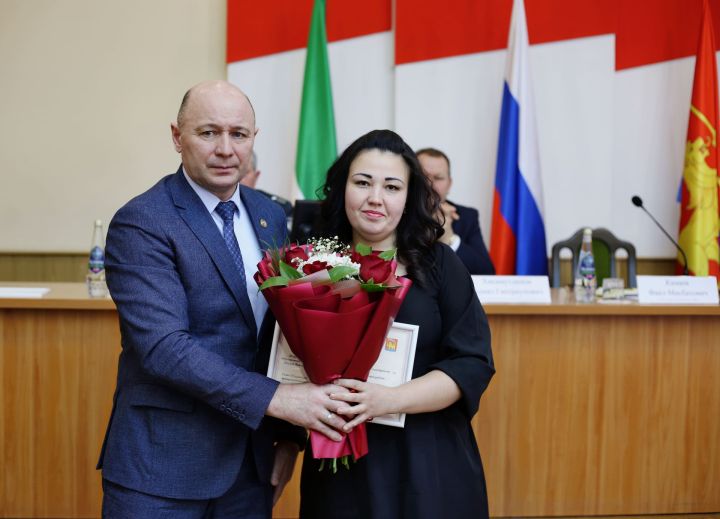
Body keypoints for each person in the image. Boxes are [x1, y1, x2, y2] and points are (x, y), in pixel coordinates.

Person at [97, 80, 349, 518]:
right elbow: (164, 349)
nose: (226, 149)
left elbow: (283, 334)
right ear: (177, 137)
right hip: (163, 469)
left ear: (254, 138)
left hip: (250, 467)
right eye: (208, 132)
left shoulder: (270, 215)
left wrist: (289, 436)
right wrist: (278, 400)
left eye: (239, 134)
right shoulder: (143, 221)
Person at [300, 130, 495, 519]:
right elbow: (282, 364)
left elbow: (472, 363)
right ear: (342, 189)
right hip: (340, 463)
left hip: (428, 462)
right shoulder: (310, 266)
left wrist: (388, 400)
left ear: (408, 198)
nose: (376, 198)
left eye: (391, 187)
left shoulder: (441, 264)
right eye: (362, 182)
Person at [416, 147, 495, 275]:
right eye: (423, 176)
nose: (430, 184)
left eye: (438, 178)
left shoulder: (466, 217)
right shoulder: (395, 212)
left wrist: (449, 238)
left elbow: (486, 272)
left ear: (449, 184)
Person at [239, 151, 294, 218]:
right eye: (235, 173)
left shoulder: (276, 207)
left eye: (244, 173)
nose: (238, 179)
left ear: (256, 176)